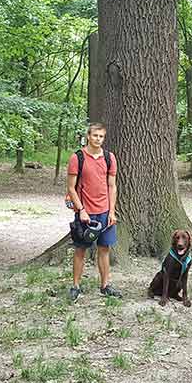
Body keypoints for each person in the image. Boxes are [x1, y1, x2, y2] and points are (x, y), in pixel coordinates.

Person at [66, 123, 121, 300]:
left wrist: (112, 211)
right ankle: (75, 286)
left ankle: (105, 285)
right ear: (88, 136)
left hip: (105, 211)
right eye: (95, 135)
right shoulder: (77, 157)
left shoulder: (109, 157)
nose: (98, 139)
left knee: (104, 248)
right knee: (80, 249)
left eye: (101, 136)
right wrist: (81, 210)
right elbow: (71, 188)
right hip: (85, 213)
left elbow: (112, 186)